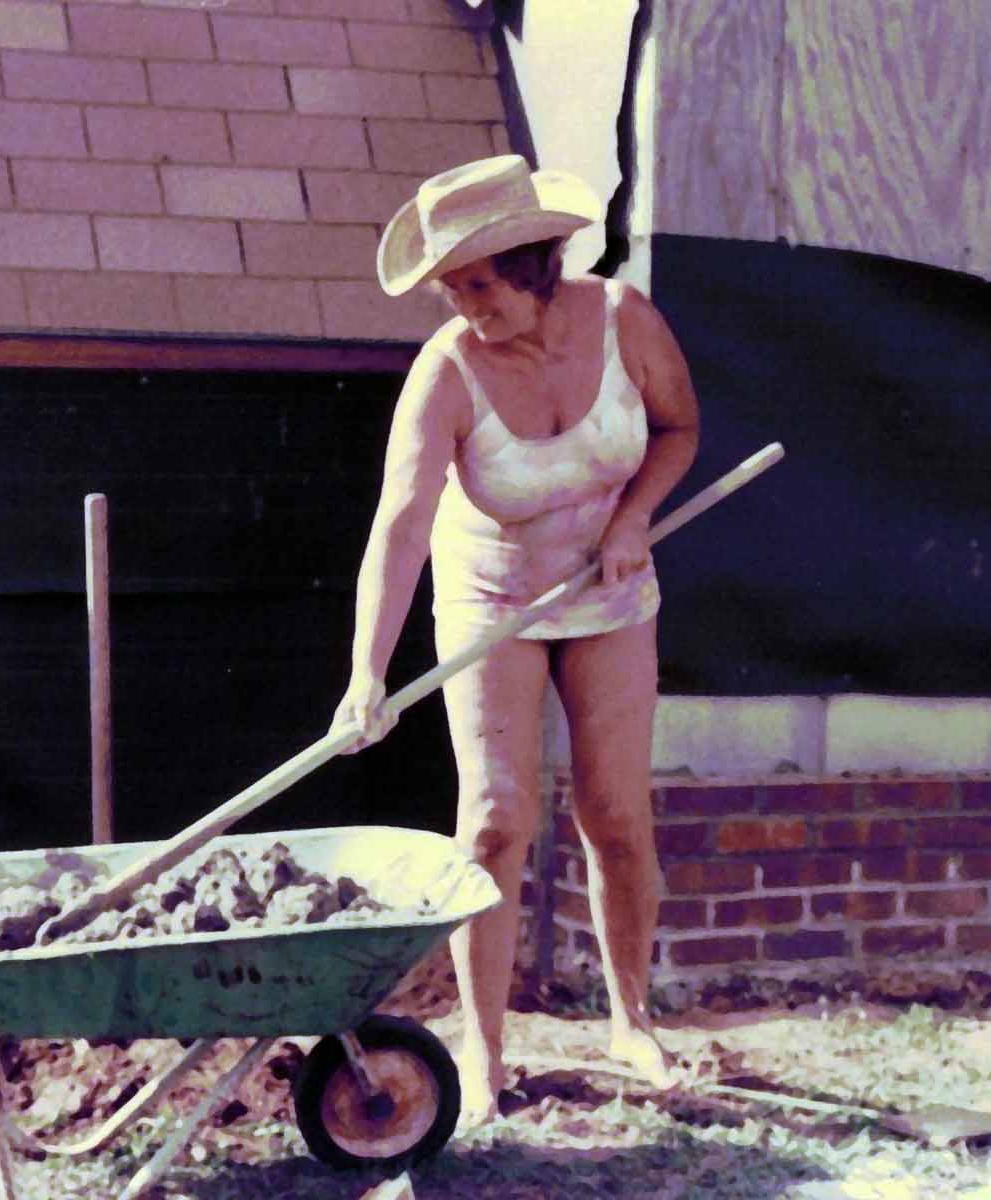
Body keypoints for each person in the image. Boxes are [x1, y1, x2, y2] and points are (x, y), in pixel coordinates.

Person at [328, 155, 701, 1125]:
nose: (466, 305)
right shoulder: (445, 373)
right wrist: (366, 674)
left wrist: (631, 520)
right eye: (451, 289)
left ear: (535, 264)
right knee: (494, 821)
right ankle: (483, 1056)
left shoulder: (623, 320)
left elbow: (678, 430)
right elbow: (400, 528)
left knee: (615, 813)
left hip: (609, 589)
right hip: (492, 599)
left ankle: (630, 1023)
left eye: (481, 283)